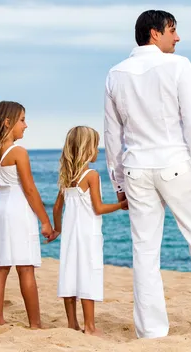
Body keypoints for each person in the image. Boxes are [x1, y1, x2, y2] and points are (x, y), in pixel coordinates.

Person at [103, 10, 191, 338]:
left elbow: (111, 135)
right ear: (155, 33)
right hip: (174, 164)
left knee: (145, 251)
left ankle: (151, 332)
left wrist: (117, 181)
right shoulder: (178, 66)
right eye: (173, 31)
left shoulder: (115, 73)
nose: (177, 38)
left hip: (136, 169)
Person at [0, 101, 56, 328]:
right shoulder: (18, 152)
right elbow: (29, 190)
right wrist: (46, 221)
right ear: (8, 122)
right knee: (25, 267)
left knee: (0, 266)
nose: (26, 125)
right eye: (22, 120)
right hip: (18, 210)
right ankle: (35, 324)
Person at [52, 126, 128, 336]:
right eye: (96, 146)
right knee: (88, 274)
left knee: (70, 274)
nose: (98, 151)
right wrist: (121, 205)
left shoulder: (67, 175)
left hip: (70, 235)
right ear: (87, 149)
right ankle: (90, 326)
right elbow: (99, 208)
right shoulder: (91, 175)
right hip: (87, 234)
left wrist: (57, 229)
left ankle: (72, 324)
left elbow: (57, 208)